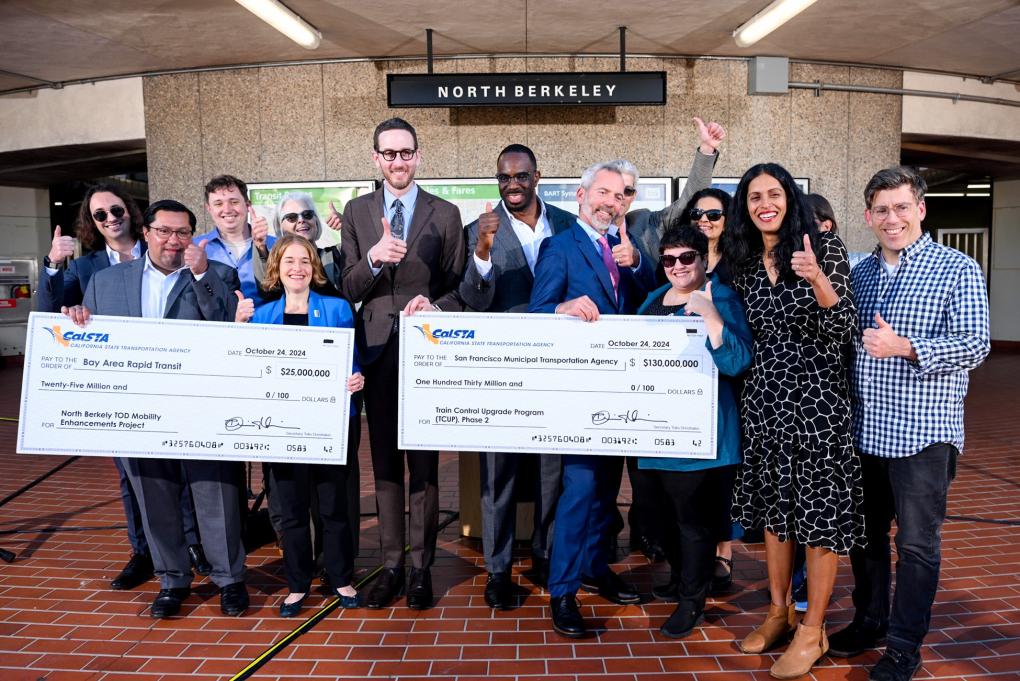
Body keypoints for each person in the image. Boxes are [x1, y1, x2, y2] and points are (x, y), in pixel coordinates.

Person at [827, 166, 990, 681]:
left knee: (916, 546)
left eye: (901, 207)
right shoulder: (861, 273)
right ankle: (870, 620)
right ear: (868, 216)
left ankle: (903, 646)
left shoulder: (956, 269)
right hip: (865, 433)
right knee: (867, 538)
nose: (891, 218)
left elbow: (975, 344)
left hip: (924, 436)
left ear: (920, 209)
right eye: (881, 210)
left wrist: (908, 348)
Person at [62, 199, 248, 619]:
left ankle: (229, 579)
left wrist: (200, 274)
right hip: (138, 411)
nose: (173, 241)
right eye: (164, 231)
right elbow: (89, 336)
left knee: (214, 491)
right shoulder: (107, 282)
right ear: (145, 232)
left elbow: (226, 328)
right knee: (153, 494)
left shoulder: (217, 274)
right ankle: (172, 579)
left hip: (201, 408)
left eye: (183, 233)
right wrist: (74, 318)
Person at [720, 163, 861, 679]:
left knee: (819, 517)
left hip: (819, 404)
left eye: (773, 193)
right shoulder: (744, 262)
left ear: (789, 197)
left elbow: (844, 325)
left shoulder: (824, 247)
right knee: (777, 516)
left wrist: (817, 279)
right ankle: (778, 612)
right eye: (754, 196)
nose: (764, 203)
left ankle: (813, 629)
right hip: (765, 402)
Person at [37, 184, 210, 590]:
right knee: (133, 476)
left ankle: (191, 544)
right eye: (100, 215)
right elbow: (52, 316)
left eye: (116, 210)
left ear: (134, 216)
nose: (110, 218)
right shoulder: (85, 268)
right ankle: (143, 551)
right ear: (91, 224)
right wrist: (53, 268)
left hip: (176, 379)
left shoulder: (170, 252)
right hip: (125, 387)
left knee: (183, 470)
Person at [340, 117, 466, 610]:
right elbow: (349, 286)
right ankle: (392, 563)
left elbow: (460, 289)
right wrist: (372, 259)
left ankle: (421, 569)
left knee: (425, 465)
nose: (398, 161)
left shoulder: (446, 213)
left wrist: (436, 307)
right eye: (388, 154)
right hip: (375, 351)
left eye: (406, 152)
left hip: (427, 352)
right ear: (376, 159)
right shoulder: (357, 212)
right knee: (387, 465)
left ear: (418, 156)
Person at [529, 161, 655, 638]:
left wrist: (638, 265)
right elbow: (539, 311)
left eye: (621, 196)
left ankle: (595, 566)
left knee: (607, 493)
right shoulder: (558, 246)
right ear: (581, 196)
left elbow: (651, 302)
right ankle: (562, 592)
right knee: (580, 492)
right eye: (603, 192)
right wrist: (561, 308)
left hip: (624, 394)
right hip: (581, 398)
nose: (611, 202)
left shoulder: (630, 250)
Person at [459, 143, 576, 607]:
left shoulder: (566, 225)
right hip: (501, 373)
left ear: (537, 176)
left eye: (521, 176)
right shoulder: (478, 229)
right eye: (504, 178)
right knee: (498, 473)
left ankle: (545, 555)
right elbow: (472, 298)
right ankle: (499, 569)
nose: (512, 185)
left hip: (556, 369)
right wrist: (483, 250)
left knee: (553, 470)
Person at [604, 117, 725, 564]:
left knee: (644, 462)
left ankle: (648, 534)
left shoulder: (650, 225)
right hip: (593, 362)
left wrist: (705, 153)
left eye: (629, 191)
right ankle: (607, 531)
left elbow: (692, 200)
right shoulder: (571, 230)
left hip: (652, 361)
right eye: (613, 190)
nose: (620, 199)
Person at [236, 235, 365, 616]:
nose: (298, 268)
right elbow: (247, 367)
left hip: (330, 424)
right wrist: (238, 327)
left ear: (315, 268)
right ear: (277, 267)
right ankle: (297, 584)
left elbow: (353, 360)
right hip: (281, 426)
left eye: (305, 261)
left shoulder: (338, 308)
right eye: (290, 260)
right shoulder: (261, 316)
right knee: (291, 510)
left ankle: (341, 577)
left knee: (333, 508)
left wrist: (356, 378)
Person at [636, 225, 752, 639]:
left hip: (700, 436)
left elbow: (738, 361)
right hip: (652, 434)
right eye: (669, 259)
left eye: (687, 258)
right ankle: (682, 576)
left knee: (693, 523)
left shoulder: (721, 298)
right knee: (658, 518)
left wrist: (713, 319)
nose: (678, 267)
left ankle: (692, 600)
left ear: (704, 259)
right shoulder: (653, 299)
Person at [196, 174, 277, 307]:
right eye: (218, 204)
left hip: (266, 324)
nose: (227, 209)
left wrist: (262, 249)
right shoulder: (196, 248)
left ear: (247, 205)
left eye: (234, 202)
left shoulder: (277, 245)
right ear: (209, 209)